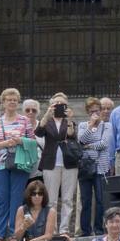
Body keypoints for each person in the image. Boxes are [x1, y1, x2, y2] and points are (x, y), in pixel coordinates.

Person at [0, 88, 33, 241]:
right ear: (3, 102)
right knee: (1, 198)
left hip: (19, 163)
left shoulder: (25, 121)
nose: (12, 102)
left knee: (17, 198)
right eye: (9, 99)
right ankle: (0, 233)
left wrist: (21, 141)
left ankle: (14, 233)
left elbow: (33, 143)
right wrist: (6, 143)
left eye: (15, 99)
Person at [35, 93, 80, 233]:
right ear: (51, 106)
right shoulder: (47, 121)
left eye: (62, 104)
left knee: (67, 199)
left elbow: (73, 136)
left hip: (69, 164)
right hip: (51, 163)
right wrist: (46, 115)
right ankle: (52, 229)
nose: (59, 107)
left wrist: (70, 119)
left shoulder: (69, 122)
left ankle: (64, 229)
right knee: (51, 199)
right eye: (56, 104)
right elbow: (38, 133)